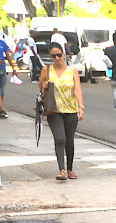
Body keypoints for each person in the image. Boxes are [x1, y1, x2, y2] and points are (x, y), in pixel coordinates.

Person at [39, 44, 83, 180]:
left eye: (59, 55)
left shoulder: (72, 71)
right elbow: (40, 88)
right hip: (54, 110)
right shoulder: (46, 70)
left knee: (69, 141)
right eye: (54, 56)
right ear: (50, 57)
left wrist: (80, 106)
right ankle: (61, 170)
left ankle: (70, 169)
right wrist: (44, 86)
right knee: (60, 138)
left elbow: (77, 89)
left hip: (70, 110)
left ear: (64, 54)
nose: (57, 58)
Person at [0, 31, 19, 119]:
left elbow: (8, 56)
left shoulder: (1, 43)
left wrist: (14, 68)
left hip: (2, 70)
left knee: (1, 90)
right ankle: (2, 110)